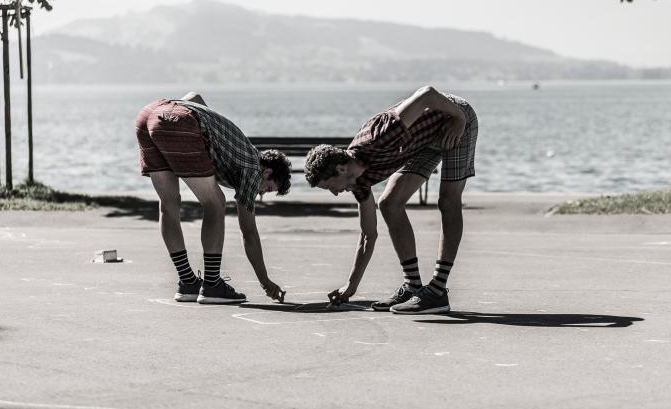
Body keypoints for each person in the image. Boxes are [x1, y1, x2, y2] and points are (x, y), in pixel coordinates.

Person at [304, 86, 478, 314]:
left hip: (453, 118)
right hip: (424, 141)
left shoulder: (380, 136)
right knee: (389, 204)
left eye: (329, 186)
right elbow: (368, 235)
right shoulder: (359, 180)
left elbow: (426, 95)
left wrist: (459, 117)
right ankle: (413, 286)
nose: (335, 193)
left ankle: (437, 291)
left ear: (339, 169)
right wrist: (351, 285)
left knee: (448, 200)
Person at [135, 91, 290, 304]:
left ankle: (188, 281)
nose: (260, 193)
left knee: (169, 203)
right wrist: (265, 281)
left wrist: (204, 119)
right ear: (267, 173)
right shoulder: (253, 168)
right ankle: (212, 285)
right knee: (216, 203)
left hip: (148, 115)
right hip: (179, 121)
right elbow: (249, 233)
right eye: (268, 188)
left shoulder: (238, 148)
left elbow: (194, 96)